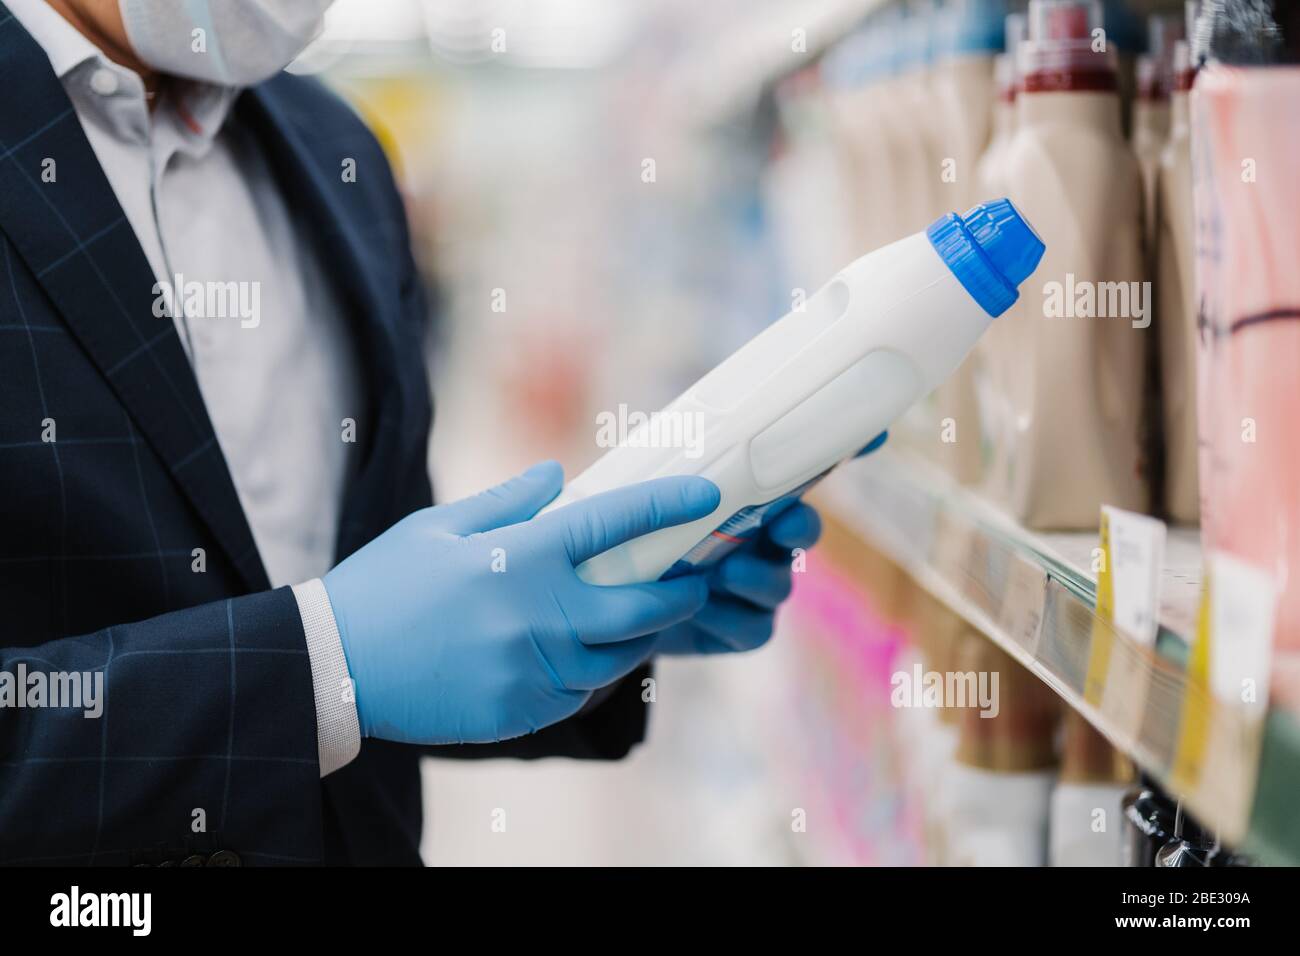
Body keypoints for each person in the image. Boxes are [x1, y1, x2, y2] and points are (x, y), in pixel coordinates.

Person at [0, 0, 830, 865]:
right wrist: (324, 663)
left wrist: (585, 613)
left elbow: (394, 648)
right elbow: (341, 659)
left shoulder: (337, 155)